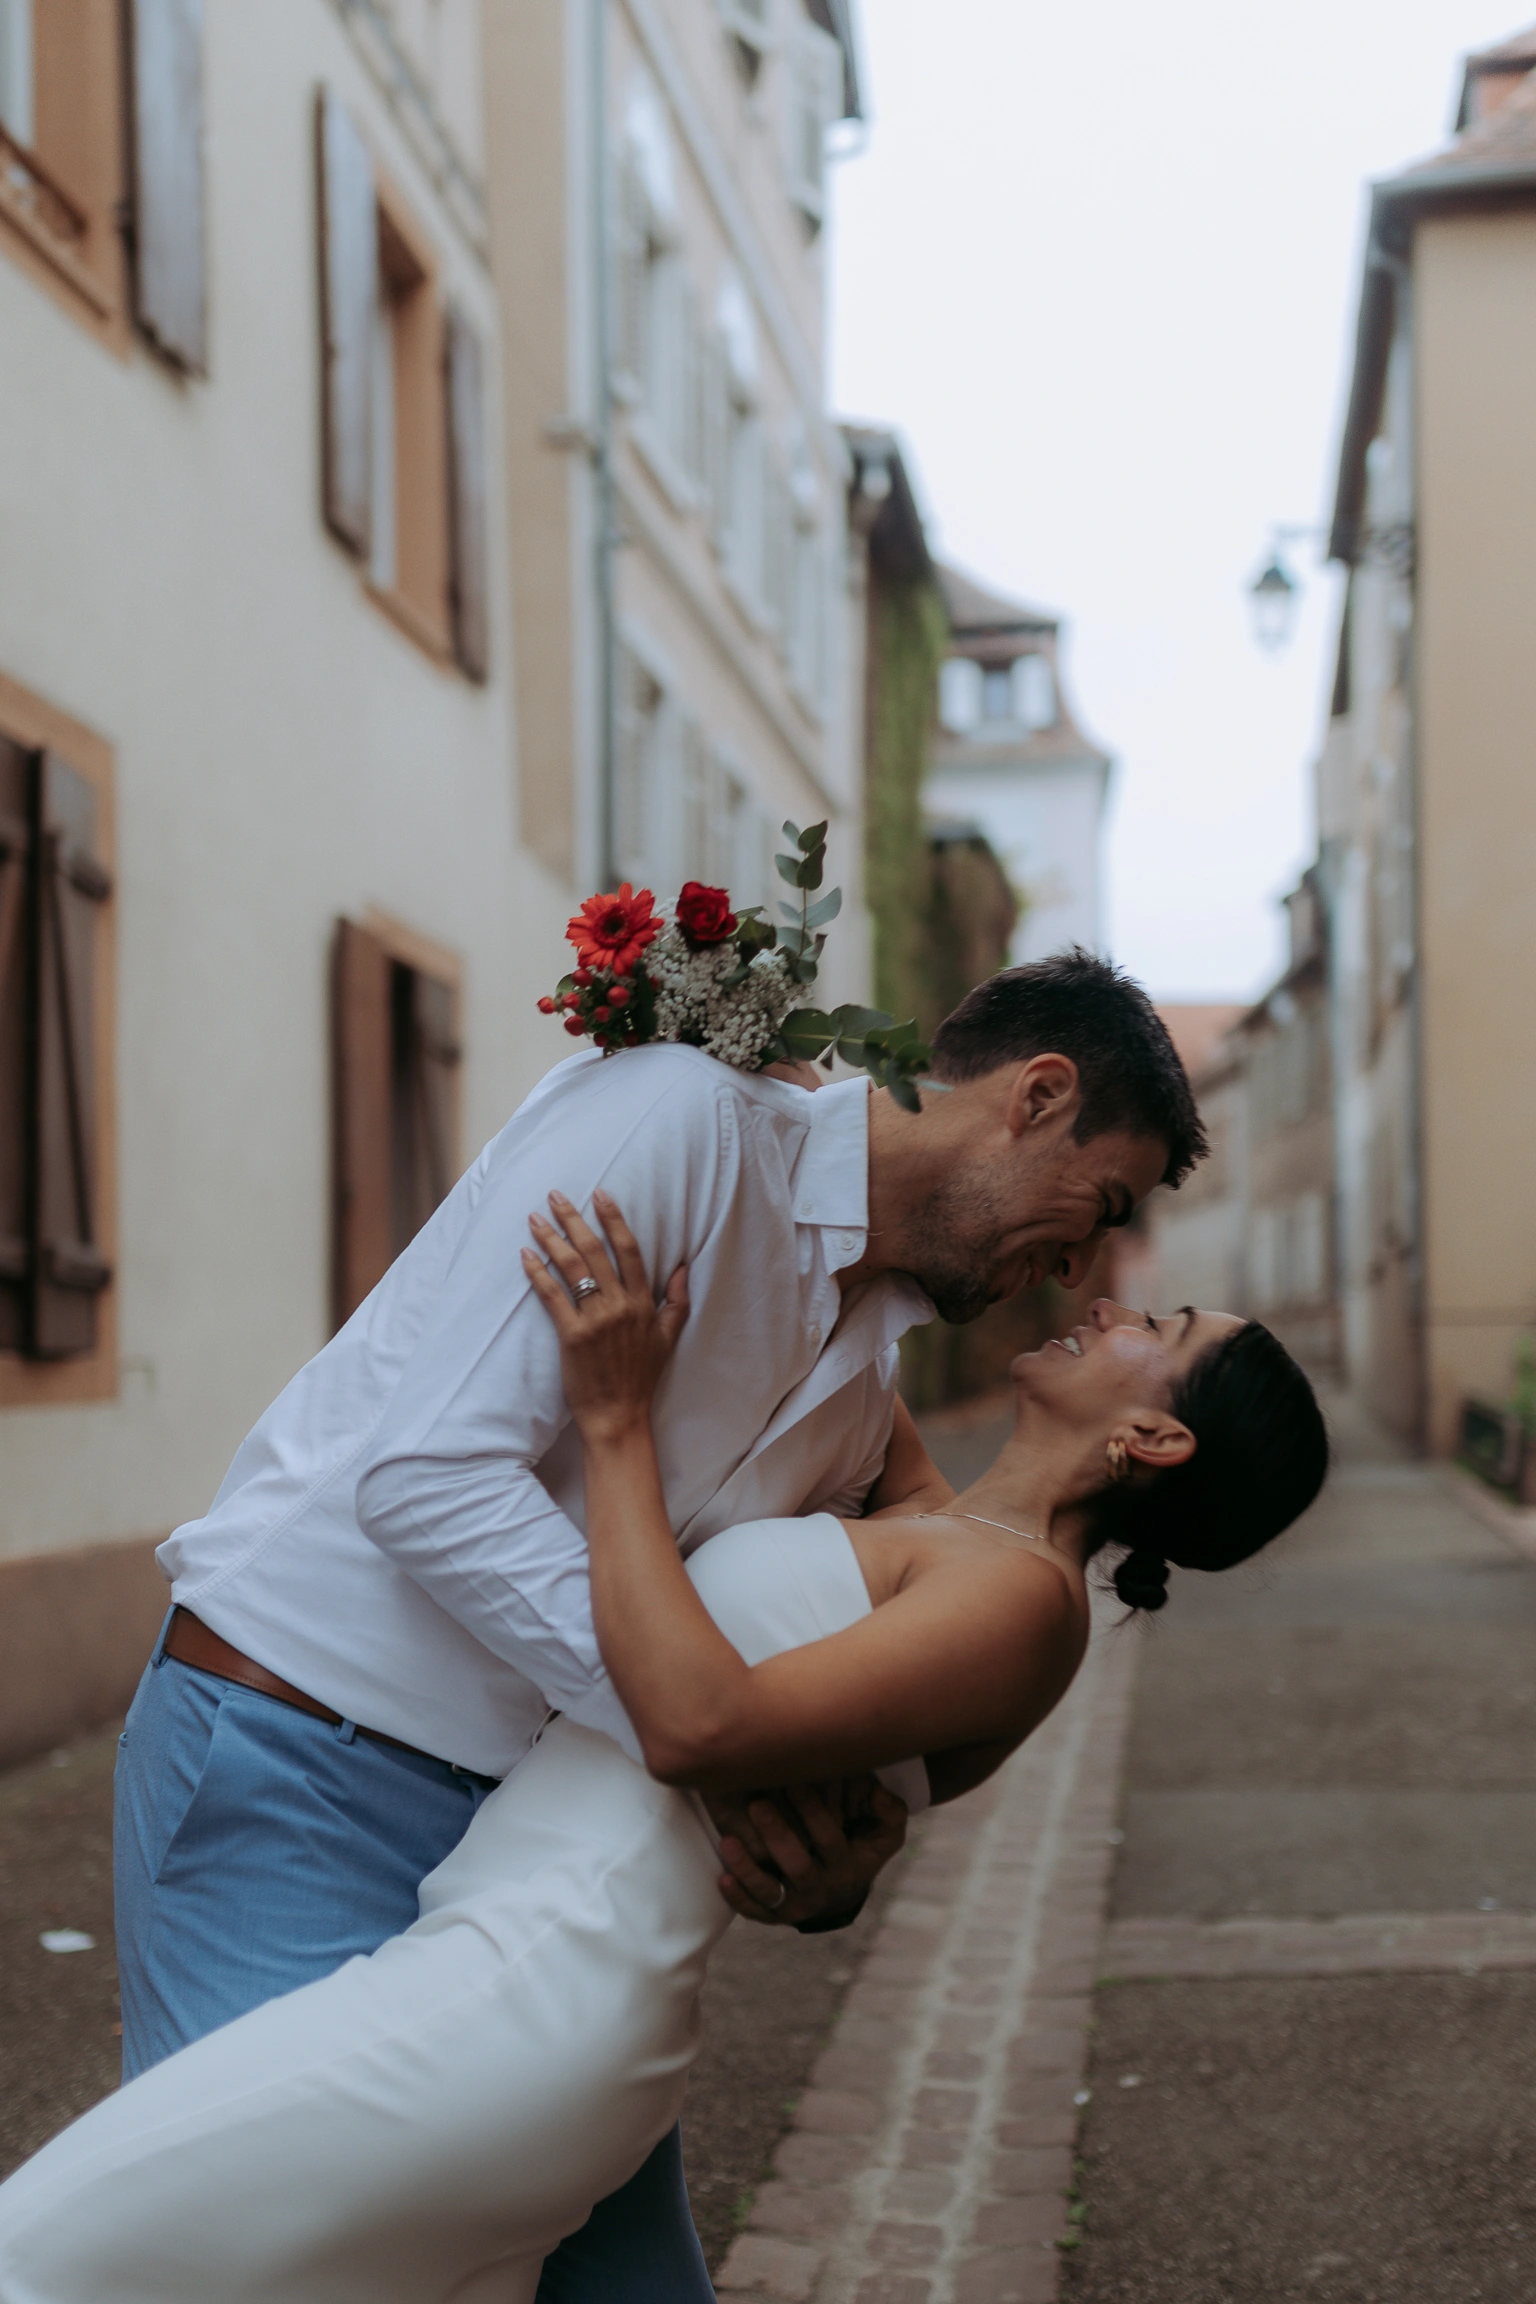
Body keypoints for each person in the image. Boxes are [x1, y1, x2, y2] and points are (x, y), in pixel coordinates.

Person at [110, 952, 1205, 2301]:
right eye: (1099, 1206)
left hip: (532, 1856)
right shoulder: (680, 1125)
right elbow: (427, 1477)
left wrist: (830, 1837)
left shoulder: (866, 1376)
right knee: (243, 2266)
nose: (1083, 1267)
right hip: (298, 1758)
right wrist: (708, 1749)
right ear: (1038, 1095)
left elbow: (886, 1611)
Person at [0, 1199, 1329, 2303]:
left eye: (1155, 1330)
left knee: (52, 2250)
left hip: (519, 2007)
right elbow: (838, 1322)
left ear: (1155, 1438)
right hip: (506, 1980)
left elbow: (697, 1724)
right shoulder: (952, 1532)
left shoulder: (1025, 1605)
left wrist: (616, 1418)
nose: (1108, 1304)